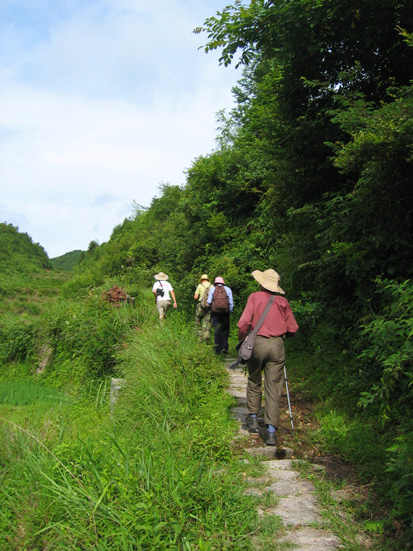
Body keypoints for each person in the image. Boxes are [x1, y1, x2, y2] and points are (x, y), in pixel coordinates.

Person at [237, 269, 298, 446]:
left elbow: (243, 323)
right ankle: (271, 432)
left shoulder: (254, 297)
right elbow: (293, 328)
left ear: (261, 283)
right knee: (274, 387)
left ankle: (253, 418)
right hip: (277, 345)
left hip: (258, 343)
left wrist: (243, 339)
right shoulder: (283, 301)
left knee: (254, 379)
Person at [207, 276, 233, 355]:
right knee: (225, 329)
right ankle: (224, 347)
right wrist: (230, 311)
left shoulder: (212, 289)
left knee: (217, 330)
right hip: (225, 313)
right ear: (223, 282)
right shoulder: (228, 289)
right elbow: (231, 302)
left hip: (215, 313)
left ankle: (217, 349)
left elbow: (208, 301)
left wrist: (213, 307)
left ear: (215, 282)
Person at [194, 274, 213, 342]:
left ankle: (199, 338)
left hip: (201, 306)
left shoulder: (200, 285)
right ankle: (206, 336)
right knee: (207, 321)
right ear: (208, 279)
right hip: (209, 306)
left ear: (202, 280)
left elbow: (195, 297)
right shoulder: (212, 286)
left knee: (198, 320)